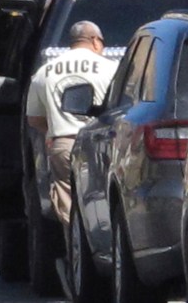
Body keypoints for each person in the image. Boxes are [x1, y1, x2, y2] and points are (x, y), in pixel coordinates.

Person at [26, 21, 118, 227]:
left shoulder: (44, 72)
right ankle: (103, 244)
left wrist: (52, 131)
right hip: (102, 144)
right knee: (104, 196)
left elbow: (33, 119)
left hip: (63, 143)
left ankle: (74, 246)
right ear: (95, 41)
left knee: (68, 198)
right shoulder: (112, 68)